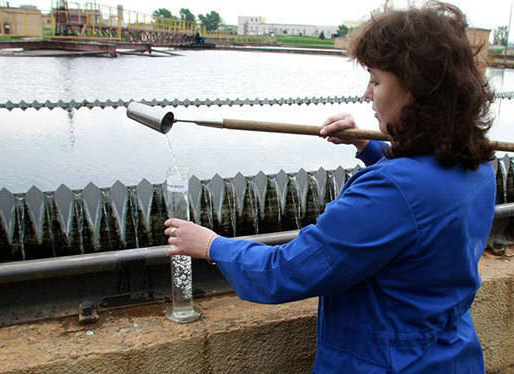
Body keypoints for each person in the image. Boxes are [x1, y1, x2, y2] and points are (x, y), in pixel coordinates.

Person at [165, 2, 496, 372]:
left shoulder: (389, 192)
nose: (367, 94)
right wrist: (367, 146)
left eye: (375, 80)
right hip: (451, 357)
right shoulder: (477, 165)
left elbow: (286, 272)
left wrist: (213, 246)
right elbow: (423, 203)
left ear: (415, 89)